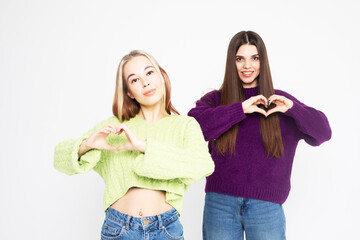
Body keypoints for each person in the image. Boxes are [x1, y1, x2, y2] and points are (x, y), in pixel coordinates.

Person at [54, 50, 214, 240]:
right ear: (129, 92)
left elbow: (203, 165)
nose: (145, 82)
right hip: (119, 229)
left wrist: (144, 147)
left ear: (162, 75)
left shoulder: (185, 125)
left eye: (149, 73)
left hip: (165, 230)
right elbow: (59, 159)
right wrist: (86, 146)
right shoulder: (117, 127)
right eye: (134, 80)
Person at [188, 31, 332, 240]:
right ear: (232, 62)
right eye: (240, 59)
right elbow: (192, 128)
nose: (247, 66)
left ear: (262, 61)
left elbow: (323, 133)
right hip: (220, 203)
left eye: (254, 58)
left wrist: (293, 108)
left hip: (266, 207)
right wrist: (240, 109)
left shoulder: (279, 102)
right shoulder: (217, 100)